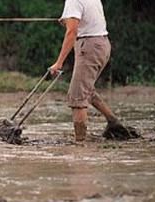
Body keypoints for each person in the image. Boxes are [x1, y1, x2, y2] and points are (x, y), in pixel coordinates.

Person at [49, 0, 139, 142]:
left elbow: (71, 32)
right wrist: (68, 21)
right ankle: (114, 123)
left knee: (77, 95)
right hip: (101, 44)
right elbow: (85, 22)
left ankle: (80, 144)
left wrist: (59, 62)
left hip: (89, 46)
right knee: (87, 90)